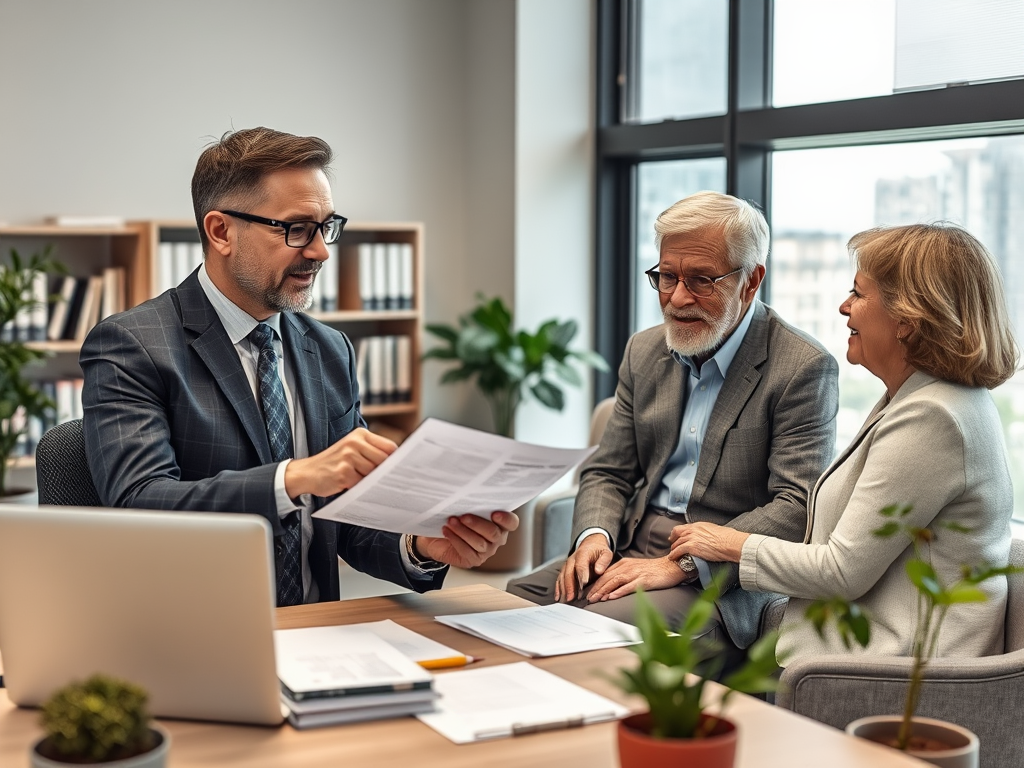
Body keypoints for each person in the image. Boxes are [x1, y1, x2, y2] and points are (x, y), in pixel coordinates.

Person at [81, 127, 518, 606]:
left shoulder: (329, 349)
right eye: (296, 229)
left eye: (326, 227)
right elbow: (139, 501)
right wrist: (293, 478)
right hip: (203, 635)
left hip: (319, 638)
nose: (320, 252)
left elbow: (346, 519)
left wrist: (419, 546)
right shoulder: (133, 344)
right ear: (221, 231)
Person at [669, 223, 1018, 663]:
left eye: (858, 294)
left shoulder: (935, 417)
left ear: (908, 319)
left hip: (892, 676)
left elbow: (839, 572)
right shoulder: (920, 397)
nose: (844, 307)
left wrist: (724, 542)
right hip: (858, 644)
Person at [508, 191, 839, 654]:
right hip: (627, 549)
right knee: (509, 609)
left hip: (719, 581)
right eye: (667, 276)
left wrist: (683, 564)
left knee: (588, 635)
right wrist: (593, 536)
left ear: (751, 280)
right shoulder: (644, 351)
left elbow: (797, 505)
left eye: (702, 279)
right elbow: (609, 472)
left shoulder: (801, 367)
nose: (678, 298)